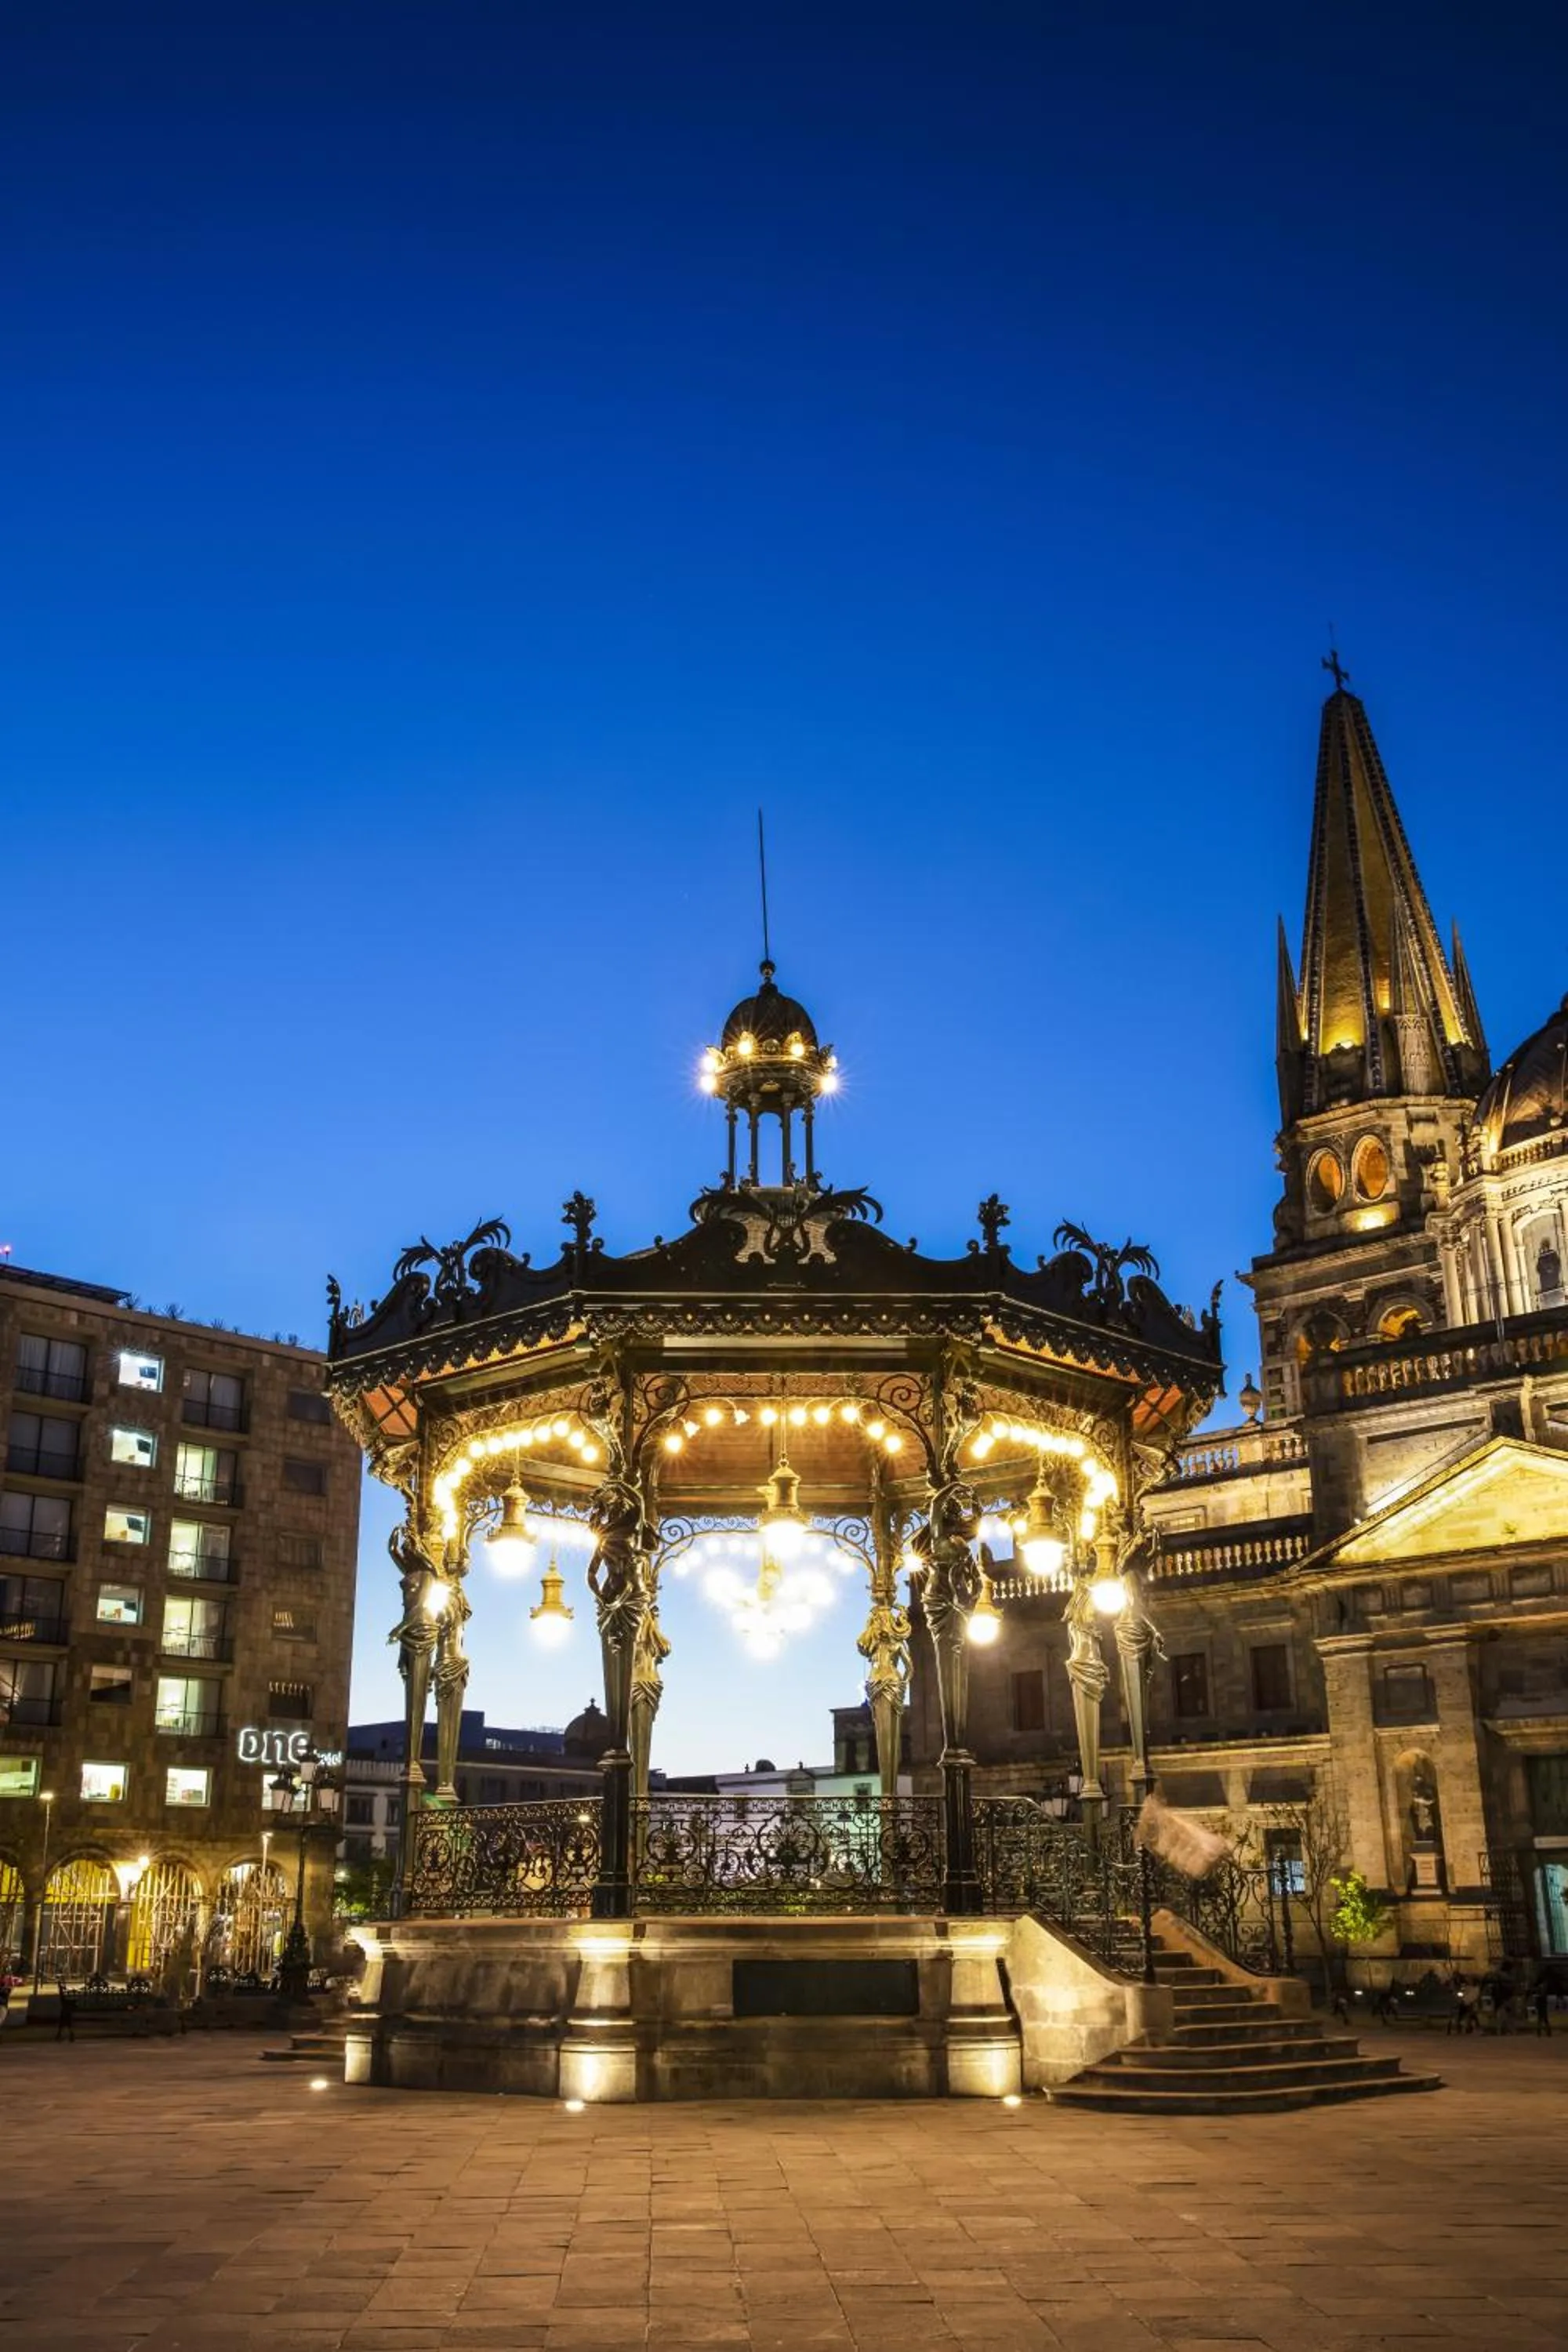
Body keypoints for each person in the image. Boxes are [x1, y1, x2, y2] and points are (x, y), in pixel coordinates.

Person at [54, 1978, 74, 2043]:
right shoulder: (68, 2000)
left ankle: (60, 2036)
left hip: (64, 2012)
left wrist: (60, 1986)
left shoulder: (64, 2000)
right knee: (67, 2025)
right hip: (67, 2012)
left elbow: (62, 1995)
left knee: (62, 2025)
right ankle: (69, 2036)